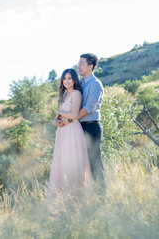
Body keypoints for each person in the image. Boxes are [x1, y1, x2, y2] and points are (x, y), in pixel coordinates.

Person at [45, 68, 93, 206]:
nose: (66, 81)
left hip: (72, 131)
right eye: (64, 78)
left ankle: (77, 202)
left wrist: (59, 112)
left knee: (71, 164)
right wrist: (55, 121)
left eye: (69, 78)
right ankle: (63, 202)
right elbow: (59, 117)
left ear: (74, 80)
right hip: (62, 132)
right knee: (62, 165)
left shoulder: (76, 93)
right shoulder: (64, 94)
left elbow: (74, 115)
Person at [61, 53, 106, 194]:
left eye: (82, 64)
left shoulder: (95, 84)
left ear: (90, 66)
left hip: (91, 127)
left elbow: (88, 108)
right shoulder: (78, 83)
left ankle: (101, 196)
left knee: (94, 163)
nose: (78, 66)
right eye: (78, 63)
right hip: (78, 127)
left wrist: (69, 120)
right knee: (78, 164)